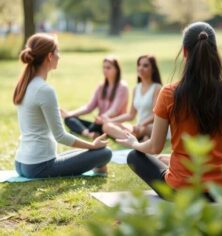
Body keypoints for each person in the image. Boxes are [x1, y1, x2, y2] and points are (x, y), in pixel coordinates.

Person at [117, 22, 222, 198]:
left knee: (134, 156)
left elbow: (155, 146)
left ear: (185, 51)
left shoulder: (169, 93)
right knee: (163, 158)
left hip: (181, 190)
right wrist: (221, 145)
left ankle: (171, 166)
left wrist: (135, 143)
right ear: (214, 51)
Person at [13, 33, 112, 178]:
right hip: (40, 166)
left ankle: (98, 162)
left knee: (92, 152)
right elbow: (60, 136)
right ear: (49, 56)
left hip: (21, 163)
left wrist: (90, 148)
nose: (59, 56)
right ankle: (100, 167)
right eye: (57, 52)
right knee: (104, 152)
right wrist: (92, 146)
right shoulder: (44, 89)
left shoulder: (25, 84)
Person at [61, 57, 128, 139]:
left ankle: (82, 132)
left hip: (111, 124)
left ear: (117, 70)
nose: (105, 70)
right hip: (98, 123)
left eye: (108, 68)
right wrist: (70, 114)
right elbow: (89, 107)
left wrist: (102, 117)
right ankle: (88, 133)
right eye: (104, 67)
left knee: (96, 125)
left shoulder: (122, 87)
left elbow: (114, 110)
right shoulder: (101, 87)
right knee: (69, 119)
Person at [103, 55, 162, 140]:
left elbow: (156, 115)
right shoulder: (136, 88)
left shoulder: (157, 88)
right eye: (139, 65)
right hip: (138, 127)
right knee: (107, 126)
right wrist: (111, 121)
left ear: (153, 69)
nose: (141, 68)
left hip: (151, 127)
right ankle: (138, 140)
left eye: (145, 66)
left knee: (140, 130)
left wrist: (142, 124)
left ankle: (135, 139)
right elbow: (131, 115)